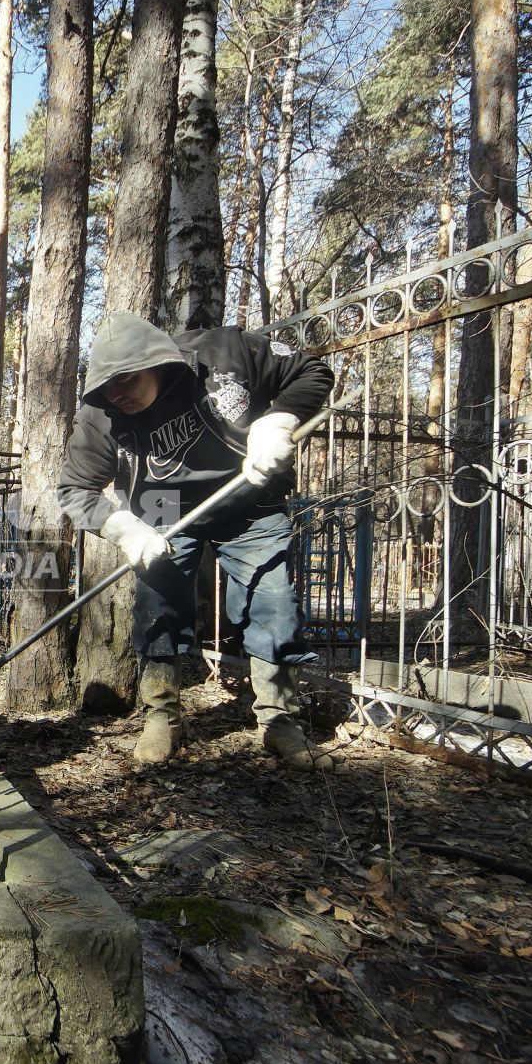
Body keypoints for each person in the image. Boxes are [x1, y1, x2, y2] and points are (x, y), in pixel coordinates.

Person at [58, 311, 334, 768]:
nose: (117, 394)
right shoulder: (100, 415)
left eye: (126, 380)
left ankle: (279, 720)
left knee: (273, 603)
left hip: (250, 497)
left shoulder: (226, 354)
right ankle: (162, 715)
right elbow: (75, 490)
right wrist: (122, 526)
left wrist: (278, 421)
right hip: (161, 512)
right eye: (108, 386)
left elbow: (312, 370)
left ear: (157, 362)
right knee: (158, 606)